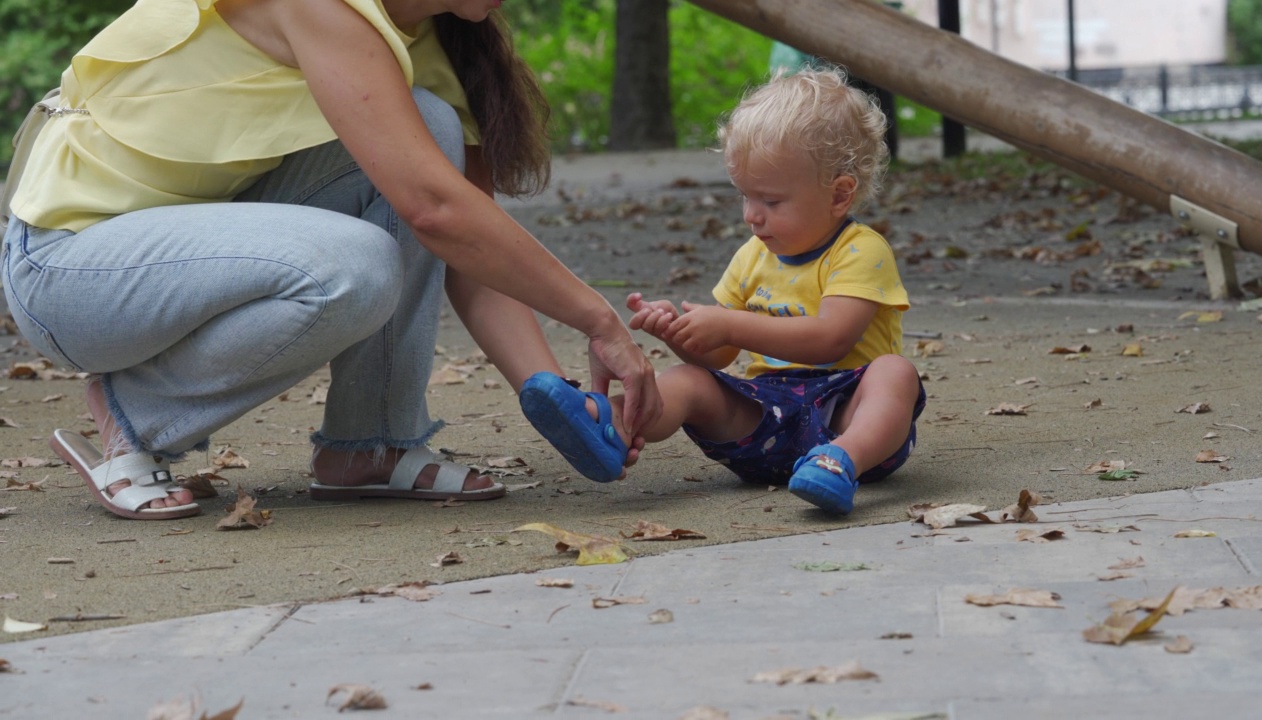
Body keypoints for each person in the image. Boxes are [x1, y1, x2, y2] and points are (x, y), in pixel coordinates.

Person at [1, 0, 660, 521]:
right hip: (68, 267)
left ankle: (371, 444)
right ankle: (137, 415)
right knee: (356, 265)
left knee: (427, 125)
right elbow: (435, 211)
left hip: (177, 252)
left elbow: (471, 245)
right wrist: (599, 320)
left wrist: (559, 399)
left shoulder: (421, 39)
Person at [524, 68, 926, 514]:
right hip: (767, 420)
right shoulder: (752, 255)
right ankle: (607, 423)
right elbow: (717, 357)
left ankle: (839, 463)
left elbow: (832, 338)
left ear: (839, 196)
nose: (752, 216)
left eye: (771, 201)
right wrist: (682, 334)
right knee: (690, 381)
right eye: (745, 196)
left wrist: (730, 323)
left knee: (894, 373)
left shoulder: (860, 250)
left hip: (845, 414)